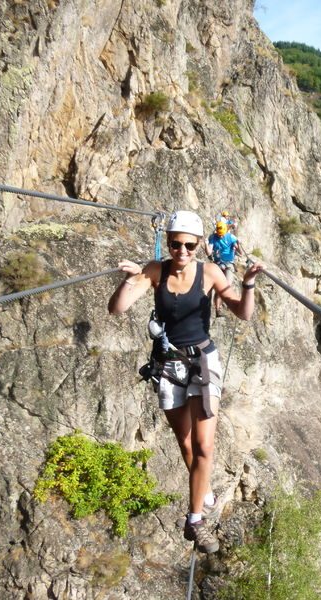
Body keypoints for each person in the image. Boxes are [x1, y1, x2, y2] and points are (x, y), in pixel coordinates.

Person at [108, 210, 261, 553]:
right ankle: (201, 488)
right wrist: (130, 279)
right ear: (169, 242)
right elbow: (117, 308)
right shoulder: (155, 270)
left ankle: (195, 521)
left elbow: (243, 311)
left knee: (205, 446)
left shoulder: (209, 272)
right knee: (187, 443)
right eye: (175, 243)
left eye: (189, 245)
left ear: (198, 245)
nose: (181, 251)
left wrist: (248, 283)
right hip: (168, 365)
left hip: (203, 361)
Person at [205, 220, 244, 317]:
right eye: (219, 234)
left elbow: (240, 253)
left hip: (229, 264)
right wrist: (206, 244)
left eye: (222, 234)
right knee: (212, 283)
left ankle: (218, 309)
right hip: (218, 263)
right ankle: (217, 309)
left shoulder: (231, 237)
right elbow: (209, 252)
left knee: (226, 285)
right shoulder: (213, 237)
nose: (221, 236)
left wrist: (238, 245)